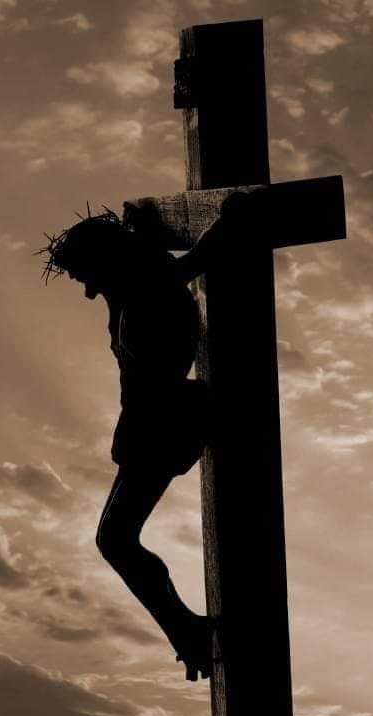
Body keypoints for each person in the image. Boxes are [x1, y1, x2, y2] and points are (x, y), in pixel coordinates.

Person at [36, 196, 251, 681]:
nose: (88, 292)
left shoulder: (150, 289)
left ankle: (188, 632)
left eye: (86, 277)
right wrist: (140, 231)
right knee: (113, 539)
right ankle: (187, 632)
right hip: (148, 425)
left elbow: (201, 257)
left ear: (106, 264)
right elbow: (150, 259)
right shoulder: (129, 290)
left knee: (115, 539)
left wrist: (234, 216)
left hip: (164, 422)